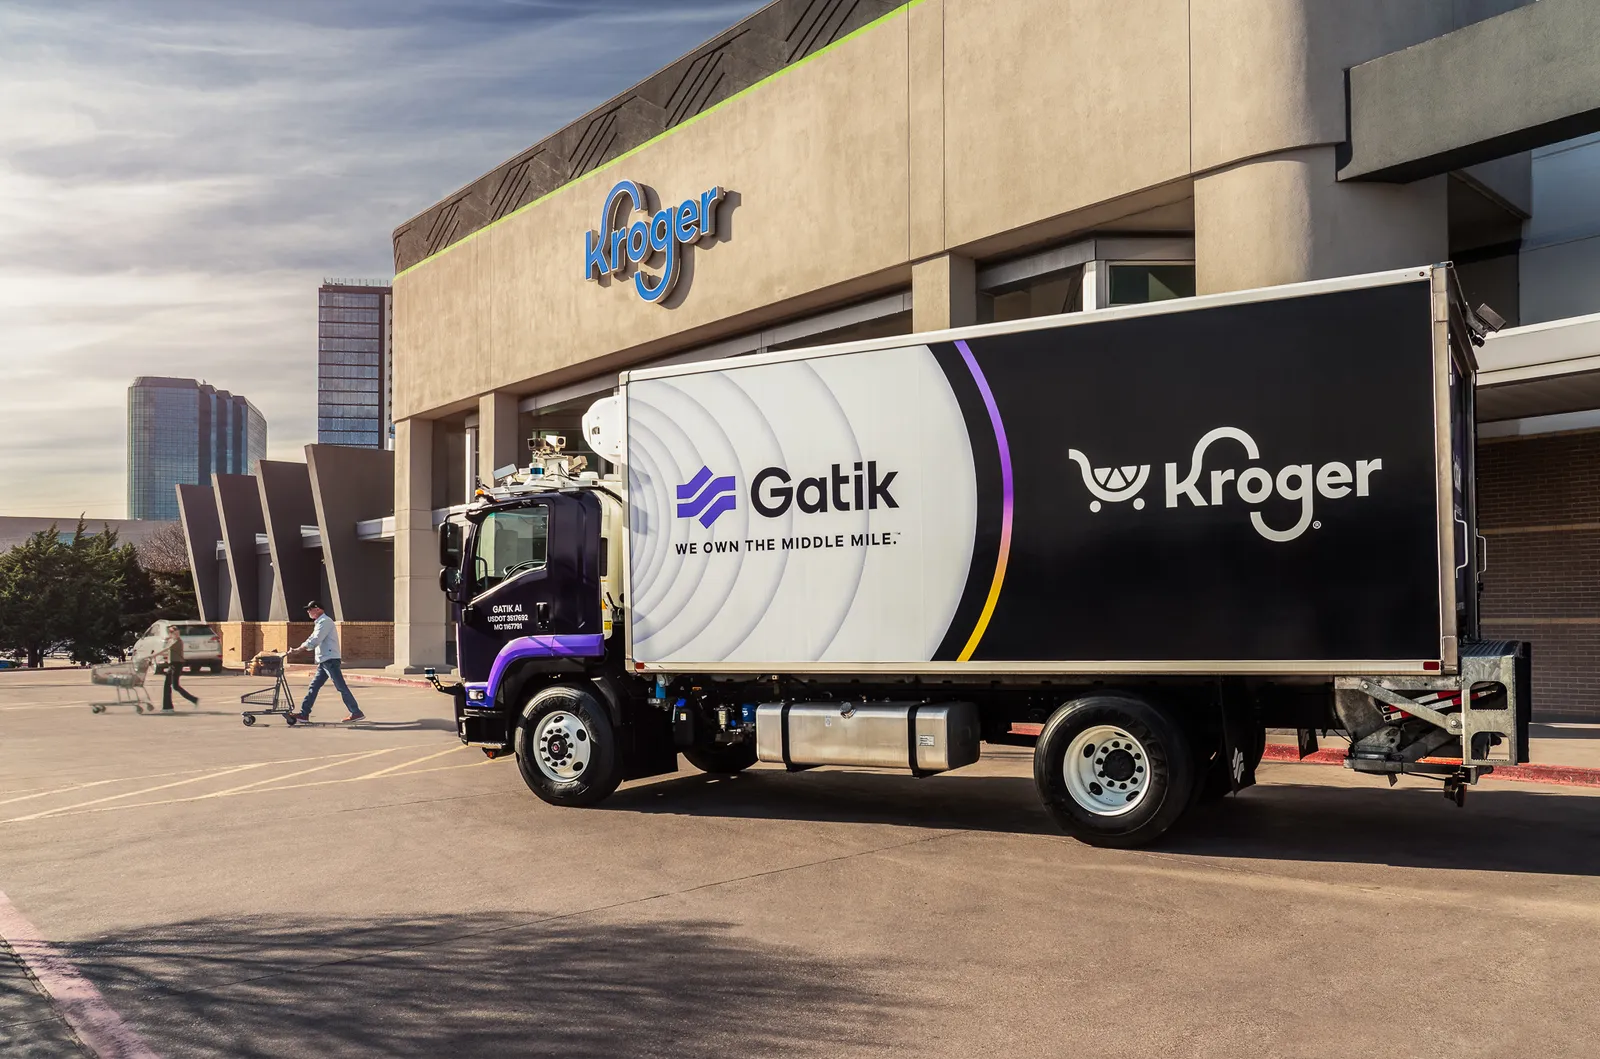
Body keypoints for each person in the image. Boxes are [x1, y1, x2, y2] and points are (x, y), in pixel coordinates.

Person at [289, 600, 364, 723]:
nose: (308, 611)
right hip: (324, 660)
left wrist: (299, 649)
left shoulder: (325, 622)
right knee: (313, 686)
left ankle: (356, 712)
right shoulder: (319, 622)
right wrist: (300, 648)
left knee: (341, 687)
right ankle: (304, 714)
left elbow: (316, 639)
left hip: (330, 660)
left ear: (318, 609)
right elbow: (312, 638)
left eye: (310, 609)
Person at [160, 625, 198, 710]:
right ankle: (167, 706)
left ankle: (168, 707)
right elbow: (165, 649)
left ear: (176, 633)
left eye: (172, 632)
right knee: (170, 685)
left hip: (176, 664)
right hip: (173, 664)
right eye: (169, 632)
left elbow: (164, 649)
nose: (170, 633)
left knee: (174, 686)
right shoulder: (172, 640)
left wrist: (152, 655)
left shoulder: (177, 641)